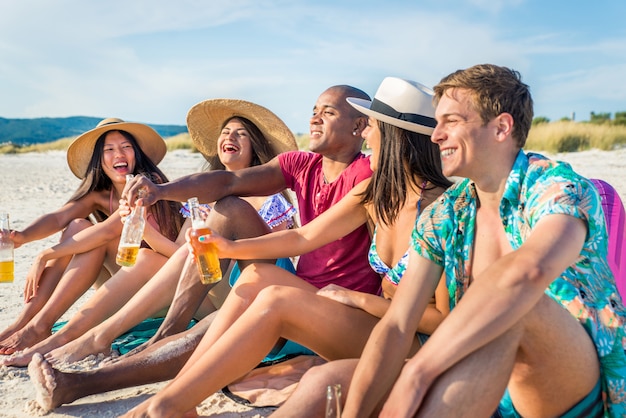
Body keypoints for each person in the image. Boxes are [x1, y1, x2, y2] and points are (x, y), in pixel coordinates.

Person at [28, 83, 380, 411]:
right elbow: (228, 181)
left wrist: (227, 248)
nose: (314, 118)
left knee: (218, 326)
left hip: (335, 305)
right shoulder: (302, 164)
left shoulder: (368, 176)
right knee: (227, 213)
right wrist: (160, 191)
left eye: (328, 112)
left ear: (359, 127)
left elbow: (302, 239)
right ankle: (92, 374)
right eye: (314, 110)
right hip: (299, 285)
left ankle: (88, 381)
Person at [118, 77, 453, 417]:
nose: (367, 135)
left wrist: (356, 299)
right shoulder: (376, 192)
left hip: (413, 340)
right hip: (376, 324)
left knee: (276, 299)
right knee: (260, 277)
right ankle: (178, 398)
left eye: (374, 127)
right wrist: (227, 247)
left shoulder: (439, 213)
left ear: (397, 137)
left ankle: (168, 404)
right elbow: (302, 238)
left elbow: (443, 320)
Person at [325, 64, 626, 417]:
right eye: (437, 123)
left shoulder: (557, 188)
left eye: (450, 121)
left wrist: (418, 375)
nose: (436, 136)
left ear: (501, 127)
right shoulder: (445, 214)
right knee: (325, 382)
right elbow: (397, 324)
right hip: (485, 380)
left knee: (516, 306)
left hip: (573, 387)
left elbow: (527, 272)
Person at [1, 100, 298, 367]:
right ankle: (55, 330)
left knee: (145, 256)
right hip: (199, 289)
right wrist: (23, 237)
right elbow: (179, 253)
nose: (229, 138)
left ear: (255, 146)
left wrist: (213, 245)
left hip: (238, 292)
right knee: (126, 246)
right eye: (225, 132)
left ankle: (79, 336)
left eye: (240, 133)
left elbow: (275, 259)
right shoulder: (197, 199)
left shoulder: (269, 199)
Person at [0, 118, 183, 355]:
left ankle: (41, 325)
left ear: (136, 154)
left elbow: (109, 230)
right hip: (122, 280)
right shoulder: (99, 195)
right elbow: (58, 218)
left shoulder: (148, 185)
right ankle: (27, 321)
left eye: (126, 147)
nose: (119, 153)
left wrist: (45, 254)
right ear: (100, 160)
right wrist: (22, 237)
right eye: (109, 149)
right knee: (77, 225)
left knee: (99, 235)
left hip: (158, 286)